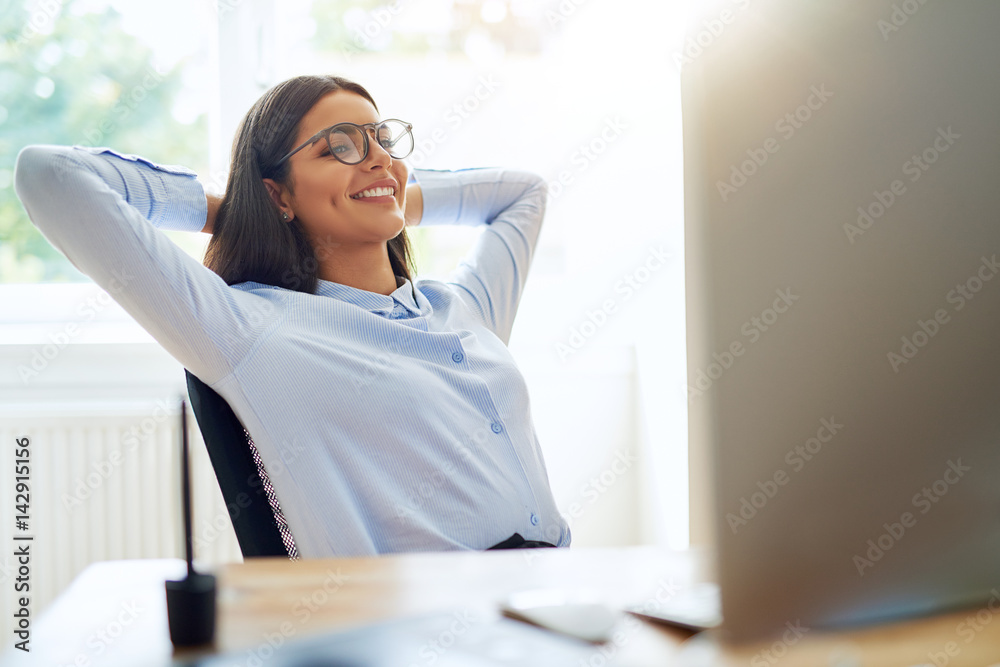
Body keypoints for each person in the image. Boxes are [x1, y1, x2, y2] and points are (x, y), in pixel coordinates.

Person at [14, 74, 571, 558]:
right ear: (279, 196)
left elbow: (525, 193)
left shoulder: (463, 309)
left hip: (563, 598)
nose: (378, 156)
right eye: (339, 149)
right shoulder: (251, 331)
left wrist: (389, 191)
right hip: (431, 634)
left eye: (382, 141)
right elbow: (49, 175)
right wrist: (232, 212)